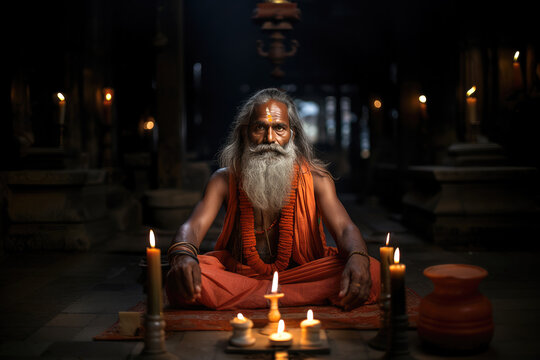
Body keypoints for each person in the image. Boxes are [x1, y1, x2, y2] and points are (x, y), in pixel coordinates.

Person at [166, 88, 380, 311]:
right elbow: (194, 225)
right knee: (184, 276)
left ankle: (256, 299)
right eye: (260, 127)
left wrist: (358, 257)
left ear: (292, 134)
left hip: (302, 274)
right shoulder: (224, 180)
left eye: (279, 128)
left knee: (372, 270)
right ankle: (299, 298)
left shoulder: (317, 180)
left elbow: (345, 229)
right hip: (239, 274)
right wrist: (184, 257)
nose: (270, 139)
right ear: (244, 133)